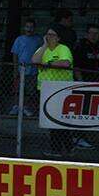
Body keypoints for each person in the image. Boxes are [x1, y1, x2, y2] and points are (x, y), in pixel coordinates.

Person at [32, 28, 74, 158]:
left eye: (52, 35)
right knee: (52, 122)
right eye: (47, 34)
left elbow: (66, 62)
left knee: (58, 122)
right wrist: (44, 45)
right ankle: (64, 148)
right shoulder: (43, 49)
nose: (49, 37)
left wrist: (49, 63)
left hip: (61, 90)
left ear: (58, 38)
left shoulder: (63, 48)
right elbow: (35, 60)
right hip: (45, 90)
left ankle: (62, 148)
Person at [9, 18, 41, 116]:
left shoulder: (38, 40)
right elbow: (15, 54)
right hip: (20, 70)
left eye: (31, 27)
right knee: (17, 89)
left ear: (34, 28)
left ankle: (25, 107)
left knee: (29, 91)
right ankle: (16, 106)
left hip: (33, 70)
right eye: (27, 27)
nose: (29, 29)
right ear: (24, 28)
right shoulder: (19, 39)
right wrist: (15, 69)